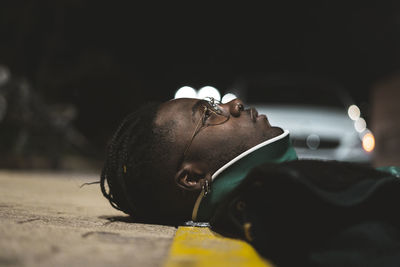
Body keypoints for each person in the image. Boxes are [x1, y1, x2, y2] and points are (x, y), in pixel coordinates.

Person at [100, 97, 400, 267]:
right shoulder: (284, 198)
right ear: (192, 178)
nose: (235, 104)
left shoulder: (254, 205)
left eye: (217, 104)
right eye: (209, 115)